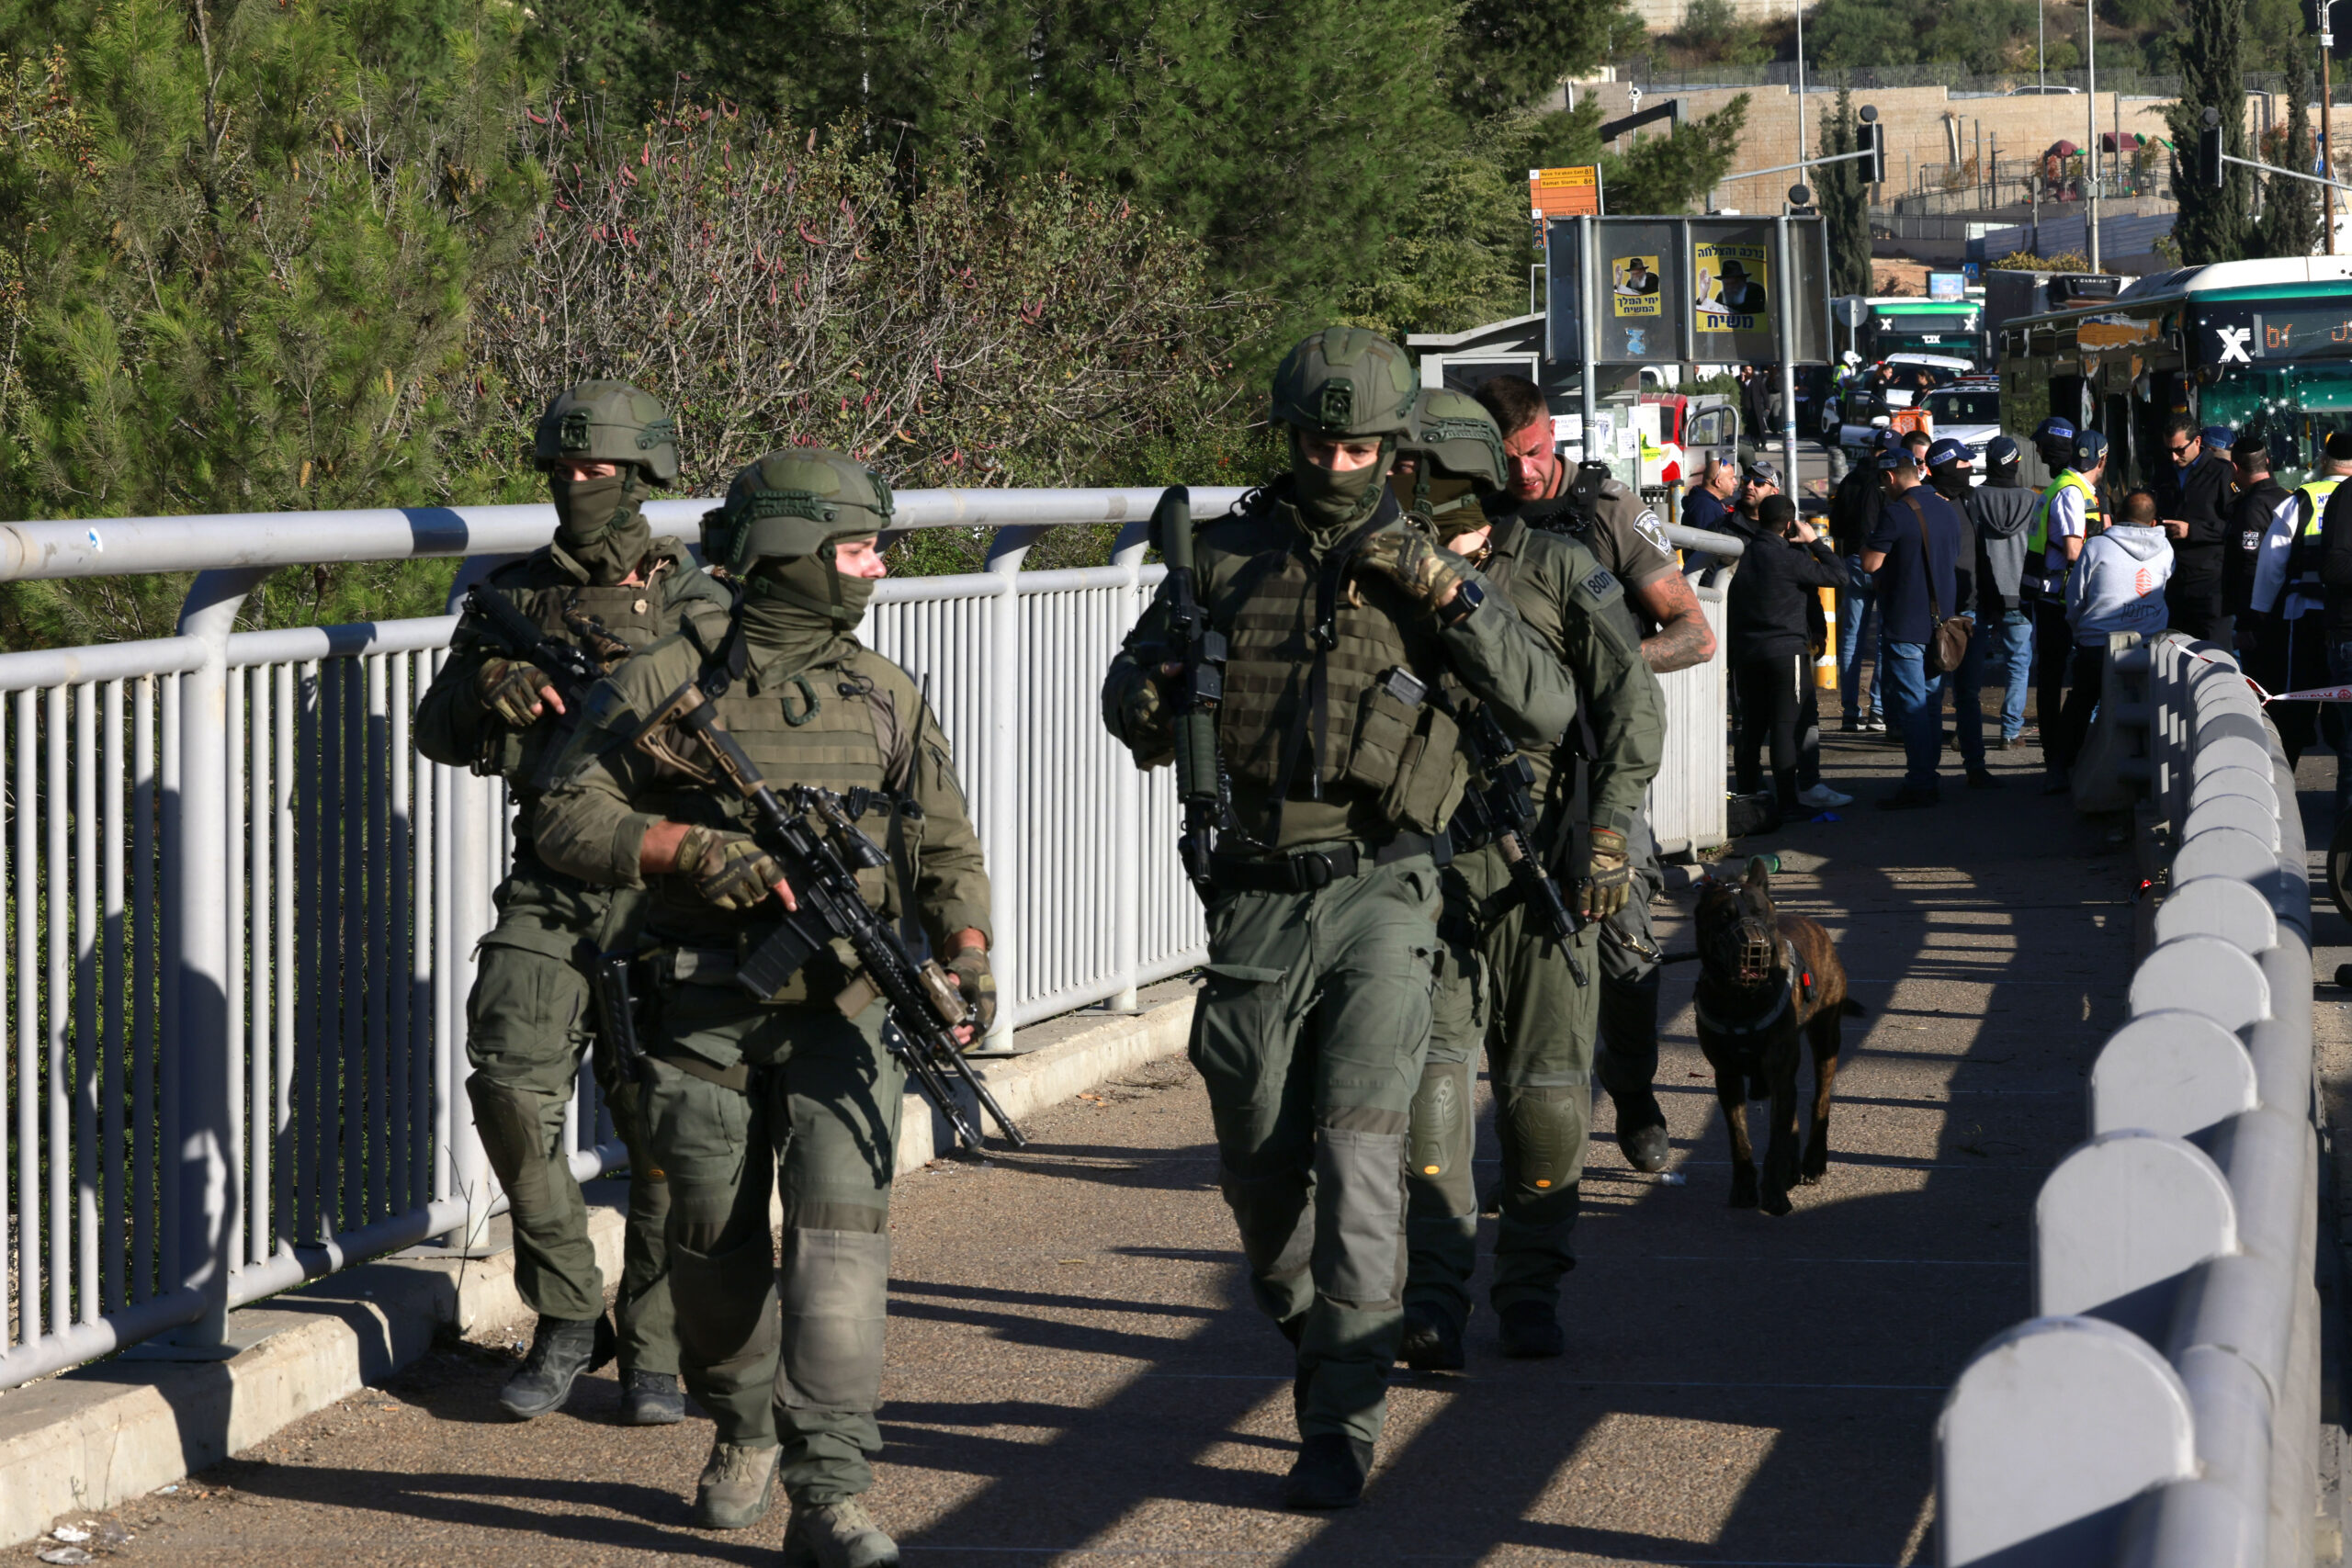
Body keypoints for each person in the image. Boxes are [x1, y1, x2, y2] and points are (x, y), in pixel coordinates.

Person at [1101, 330, 1577, 1509]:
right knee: (1263, 1173)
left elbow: (1548, 699)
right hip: (1258, 894)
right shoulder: (1220, 559)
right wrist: (1152, 687)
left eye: (1359, 444)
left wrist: (1442, 589)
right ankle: (1327, 1334)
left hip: (1387, 888)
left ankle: (1341, 1421)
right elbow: (1131, 706)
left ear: (1391, 449)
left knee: (1363, 1154)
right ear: (1288, 436)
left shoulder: (1425, 563)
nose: (1336, 460)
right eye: (1318, 441)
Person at [536, 446, 992, 1565]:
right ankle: (739, 1423)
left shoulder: (884, 691)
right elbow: (559, 817)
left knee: (841, 1249)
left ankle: (830, 1489)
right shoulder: (660, 677)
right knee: (712, 1249)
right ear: (787, 552)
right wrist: (687, 848)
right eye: (855, 547)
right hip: (699, 1009)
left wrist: (966, 958)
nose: (877, 567)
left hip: (846, 1011)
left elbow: (945, 845)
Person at [413, 382, 729, 1438]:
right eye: (560, 469)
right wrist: (489, 686)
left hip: (670, 888)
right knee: (507, 1077)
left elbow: (750, 754)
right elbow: (439, 731)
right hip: (548, 881)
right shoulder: (510, 598)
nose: (574, 486)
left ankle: (651, 1341)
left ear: (645, 477)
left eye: (596, 470)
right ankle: (562, 1312)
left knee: (661, 1128)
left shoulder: (705, 604)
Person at [1385, 389, 1666, 1370]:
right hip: (1421, 866)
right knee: (1430, 1079)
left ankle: (1532, 1284)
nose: (1400, 483)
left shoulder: (1554, 567)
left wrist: (1608, 834)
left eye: (1414, 466)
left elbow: (1632, 703)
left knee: (1545, 1086)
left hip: (1544, 855)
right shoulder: (1378, 573)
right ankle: (1433, 1295)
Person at [1476, 374, 1717, 1175]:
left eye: (1537, 453)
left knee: (1626, 947)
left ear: (1555, 433)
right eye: (1508, 460)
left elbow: (1692, 633)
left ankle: (1634, 1084)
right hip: (1490, 773)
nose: (1525, 476)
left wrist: (1596, 672)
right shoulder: (1470, 507)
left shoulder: (1606, 508)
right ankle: (1529, 1138)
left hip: (1594, 766)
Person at [1727, 495, 1854, 820]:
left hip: (1746, 653)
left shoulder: (1741, 556)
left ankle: (1748, 797)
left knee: (1752, 729)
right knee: (1785, 729)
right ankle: (1788, 802)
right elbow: (1839, 576)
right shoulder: (1788, 558)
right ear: (1788, 525)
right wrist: (1814, 541)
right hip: (1785, 652)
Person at [1861, 443, 1971, 809]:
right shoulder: (1945, 508)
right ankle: (1928, 777)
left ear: (1891, 477)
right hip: (1942, 625)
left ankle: (1921, 782)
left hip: (1905, 623)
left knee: (1911, 707)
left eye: (1884, 481)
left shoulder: (1895, 512)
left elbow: (1871, 564)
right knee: (1930, 705)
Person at [2049, 488, 2174, 776]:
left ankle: (2061, 770)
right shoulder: (2166, 550)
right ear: (2154, 523)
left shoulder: (2096, 547)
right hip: (2146, 648)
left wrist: (2080, 631)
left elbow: (2075, 598)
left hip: (2098, 644)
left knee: (2080, 705)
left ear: (2117, 517)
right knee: (2145, 708)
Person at [2251, 432, 2352, 765]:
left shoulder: (2300, 499)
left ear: (2324, 459)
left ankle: (2283, 779)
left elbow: (2272, 564)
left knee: (2297, 702)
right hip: (2345, 619)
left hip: (2305, 615)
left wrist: (2261, 613)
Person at [2030, 424, 2104, 787]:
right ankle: (2056, 757)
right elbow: (2074, 550)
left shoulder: (2068, 486)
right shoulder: (2072, 492)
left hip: (2055, 595)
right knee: (2056, 679)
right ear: (2101, 460)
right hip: (2060, 599)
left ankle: (2059, 755)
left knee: (2056, 678)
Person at [1960, 435, 2043, 752]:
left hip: (1982, 592)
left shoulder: (1975, 498)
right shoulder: (2032, 499)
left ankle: (1968, 730)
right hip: (2019, 594)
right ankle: (2010, 732)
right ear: (2017, 464)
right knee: (2018, 664)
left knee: (1973, 664)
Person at [1923, 438, 1998, 790]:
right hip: (1934, 616)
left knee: (1968, 695)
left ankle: (1976, 767)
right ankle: (1925, 774)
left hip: (1970, 614)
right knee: (1929, 697)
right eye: (1965, 464)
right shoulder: (1921, 504)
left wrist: (1991, 599)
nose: (1971, 469)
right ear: (1949, 467)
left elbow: (1979, 556)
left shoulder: (1967, 501)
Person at [1827, 431, 1894, 732]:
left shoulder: (1850, 480)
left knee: (1852, 637)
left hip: (1852, 560)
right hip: (1883, 562)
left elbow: (1835, 525)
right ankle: (1878, 709)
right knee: (1884, 636)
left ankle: (1850, 711)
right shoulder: (1886, 483)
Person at [2154, 415, 2239, 644]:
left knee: (2216, 656)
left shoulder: (2222, 473)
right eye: (2169, 450)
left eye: (2180, 450)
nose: (2174, 456)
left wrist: (2193, 531)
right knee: (2176, 657)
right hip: (2172, 580)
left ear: (2198, 442)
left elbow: (2236, 526)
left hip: (2210, 582)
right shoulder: (2164, 472)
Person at [2228, 434, 2289, 635]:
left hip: (2260, 614)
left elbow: (2249, 564)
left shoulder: (2251, 507)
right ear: (2267, 462)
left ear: (2235, 468)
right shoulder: (2289, 499)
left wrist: (2245, 622)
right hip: (2286, 604)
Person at [1682, 451, 1739, 539]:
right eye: (1731, 478)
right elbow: (1706, 544)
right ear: (1718, 482)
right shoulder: (1705, 507)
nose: (1735, 483)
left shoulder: (1708, 503)